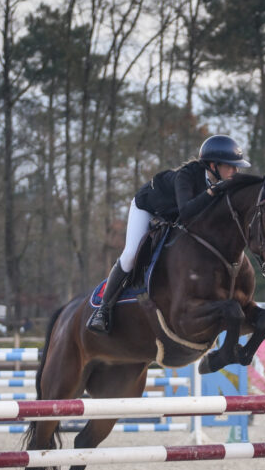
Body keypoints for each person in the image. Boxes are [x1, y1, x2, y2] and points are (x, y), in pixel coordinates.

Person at [87, 134, 251, 334]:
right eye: (231, 166)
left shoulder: (223, 183)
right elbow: (187, 212)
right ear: (213, 165)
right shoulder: (187, 176)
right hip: (147, 207)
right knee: (130, 255)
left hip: (174, 217)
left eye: (237, 167)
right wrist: (213, 192)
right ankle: (103, 310)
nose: (235, 171)